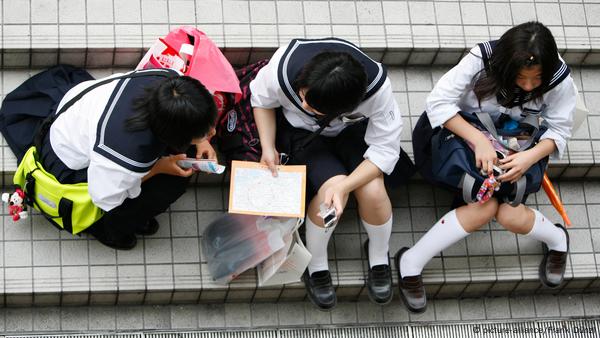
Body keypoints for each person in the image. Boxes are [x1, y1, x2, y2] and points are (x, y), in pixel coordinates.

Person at [396, 21, 576, 313]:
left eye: (536, 79)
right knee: (489, 205)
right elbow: (438, 103)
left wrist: (529, 157)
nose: (529, 86)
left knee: (504, 213)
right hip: (458, 136)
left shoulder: (558, 76)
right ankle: (411, 262)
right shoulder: (482, 59)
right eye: (521, 78)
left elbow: (560, 128)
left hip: (514, 146)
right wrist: (478, 140)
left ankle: (557, 239)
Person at [250, 38, 414, 310]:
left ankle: (378, 255)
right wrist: (268, 146)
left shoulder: (376, 89)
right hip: (302, 135)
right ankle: (316, 263)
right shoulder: (282, 69)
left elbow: (385, 149)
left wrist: (347, 186)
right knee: (329, 191)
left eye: (312, 106)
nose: (303, 103)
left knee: (372, 189)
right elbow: (262, 102)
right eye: (302, 96)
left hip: (352, 133)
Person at [2, 67, 217, 250]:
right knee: (169, 185)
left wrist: (201, 139)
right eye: (205, 131)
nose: (213, 133)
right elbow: (104, 197)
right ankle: (109, 232)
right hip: (68, 165)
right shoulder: (124, 153)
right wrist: (159, 167)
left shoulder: (170, 81)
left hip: (77, 120)